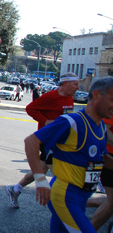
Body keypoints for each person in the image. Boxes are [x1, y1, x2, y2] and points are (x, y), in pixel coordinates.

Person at [24, 77, 113, 233]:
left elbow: (102, 159)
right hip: (65, 197)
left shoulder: (100, 127)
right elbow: (31, 141)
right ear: (97, 95)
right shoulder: (71, 121)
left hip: (79, 197)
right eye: (112, 99)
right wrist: (40, 180)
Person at [5, 73, 79, 209]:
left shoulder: (70, 98)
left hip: (61, 140)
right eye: (75, 84)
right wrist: (46, 121)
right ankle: (66, 205)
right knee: (59, 173)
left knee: (40, 169)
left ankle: (15, 189)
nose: (77, 87)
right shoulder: (51, 96)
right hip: (48, 139)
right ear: (66, 84)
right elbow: (30, 108)